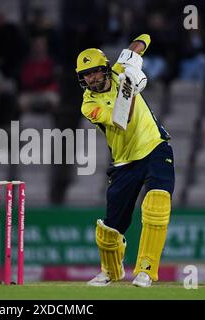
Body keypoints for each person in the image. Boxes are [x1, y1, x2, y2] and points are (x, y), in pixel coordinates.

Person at [76, 34, 174, 287]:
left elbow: (144, 38)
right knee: (110, 229)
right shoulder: (89, 105)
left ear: (105, 68)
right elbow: (122, 119)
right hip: (124, 162)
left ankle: (146, 269)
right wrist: (131, 86)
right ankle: (110, 271)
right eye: (85, 75)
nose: (90, 79)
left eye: (94, 72)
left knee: (157, 204)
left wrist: (133, 58)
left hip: (154, 147)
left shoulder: (121, 71)